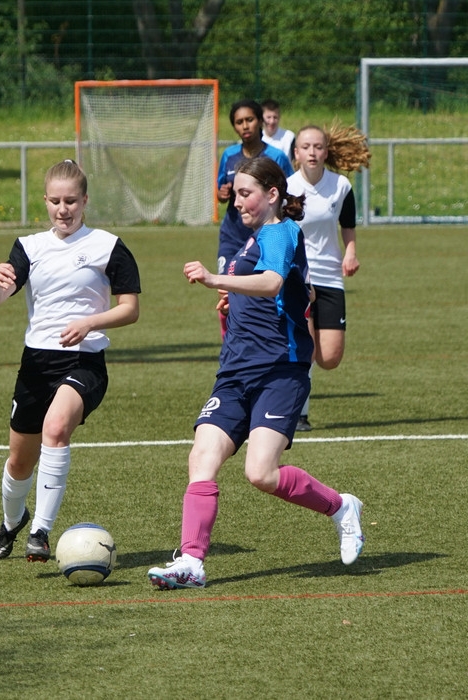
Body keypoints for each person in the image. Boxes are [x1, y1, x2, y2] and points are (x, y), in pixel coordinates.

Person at [147, 157, 364, 590]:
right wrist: (233, 301)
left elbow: (270, 283)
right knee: (201, 458)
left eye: (245, 193)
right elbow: (277, 290)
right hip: (234, 372)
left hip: (279, 371)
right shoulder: (250, 241)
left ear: (272, 194)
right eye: (236, 192)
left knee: (260, 473)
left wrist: (215, 280)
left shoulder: (280, 231)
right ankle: (192, 561)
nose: (237, 200)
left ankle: (341, 508)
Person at [0, 160, 141, 563]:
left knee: (56, 428)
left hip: (84, 362)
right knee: (20, 461)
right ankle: (11, 521)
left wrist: (90, 322)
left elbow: (130, 309)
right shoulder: (29, 247)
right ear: (45, 201)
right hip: (36, 365)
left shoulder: (108, 246)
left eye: (71, 200)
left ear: (85, 201)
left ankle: (40, 531)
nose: (63, 209)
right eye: (55, 201)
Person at [288, 125, 365, 432]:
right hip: (299, 279)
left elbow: (348, 224)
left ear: (326, 151)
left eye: (318, 147)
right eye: (306, 147)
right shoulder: (286, 188)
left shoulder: (341, 186)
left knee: (329, 357)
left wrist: (350, 253)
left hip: (331, 278)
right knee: (304, 349)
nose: (312, 152)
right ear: (296, 153)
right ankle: (297, 414)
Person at [216, 100, 293, 336]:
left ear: (259, 120)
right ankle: (230, 341)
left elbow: (288, 193)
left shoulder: (276, 156)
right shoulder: (229, 155)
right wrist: (222, 193)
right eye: (239, 122)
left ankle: (265, 337)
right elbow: (220, 190)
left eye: (249, 119)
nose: (245, 126)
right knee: (226, 290)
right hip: (232, 236)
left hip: (264, 235)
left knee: (265, 287)